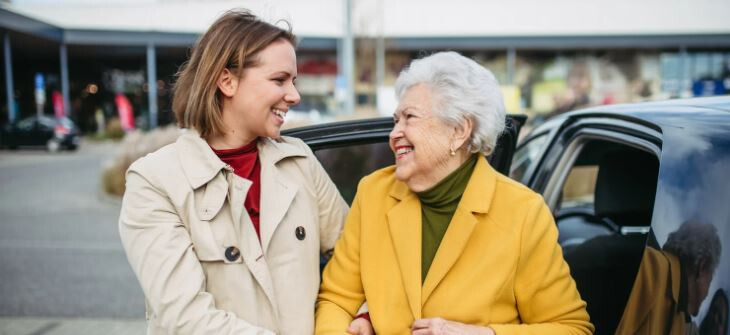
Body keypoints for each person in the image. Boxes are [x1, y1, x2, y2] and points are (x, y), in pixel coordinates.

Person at [119, 10, 370, 334]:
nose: (294, 96)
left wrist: (362, 313)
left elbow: (357, 258)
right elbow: (187, 319)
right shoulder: (154, 181)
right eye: (279, 80)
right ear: (227, 81)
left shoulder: (300, 162)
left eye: (294, 82)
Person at [315, 51, 594, 334]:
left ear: (459, 131)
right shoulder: (373, 192)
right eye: (395, 120)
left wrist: (483, 334)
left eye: (409, 118)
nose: (394, 133)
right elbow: (337, 299)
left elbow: (571, 328)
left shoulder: (523, 212)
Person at [617, 220, 722, 334]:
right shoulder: (650, 267)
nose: (707, 294)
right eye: (710, 280)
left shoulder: (679, 316)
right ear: (702, 266)